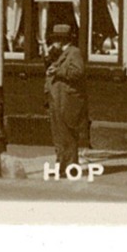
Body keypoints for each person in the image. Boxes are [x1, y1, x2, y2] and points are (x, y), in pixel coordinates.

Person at [45, 22, 90, 168]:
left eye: (56, 39)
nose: (53, 42)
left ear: (62, 40)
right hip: (57, 99)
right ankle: (62, 164)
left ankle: (69, 166)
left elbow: (78, 72)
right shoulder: (60, 54)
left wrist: (57, 72)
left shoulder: (74, 52)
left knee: (67, 135)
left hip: (67, 100)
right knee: (58, 134)